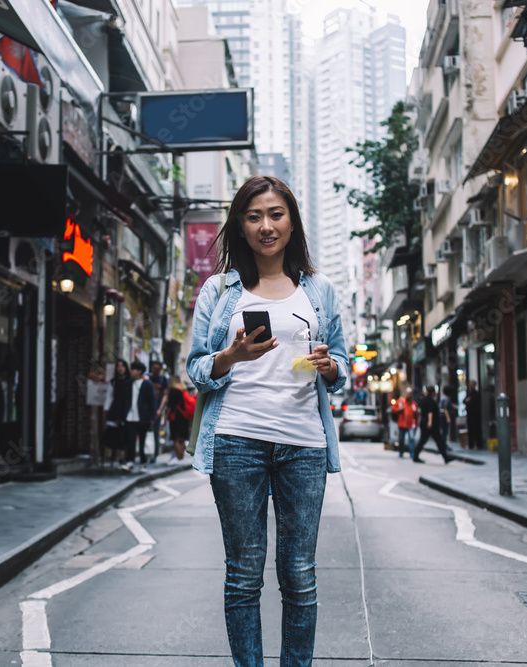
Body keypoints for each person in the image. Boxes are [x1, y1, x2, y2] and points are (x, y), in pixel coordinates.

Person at [187, 175, 348, 667]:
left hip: (303, 444)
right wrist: (230, 356)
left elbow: (340, 364)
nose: (266, 226)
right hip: (236, 440)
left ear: (292, 221)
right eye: (254, 216)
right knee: (244, 574)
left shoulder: (319, 289)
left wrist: (331, 366)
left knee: (299, 574)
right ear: (240, 224)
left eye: (276, 214)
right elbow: (196, 367)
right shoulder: (218, 290)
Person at [123, 360, 156, 470]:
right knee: (130, 440)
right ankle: (130, 461)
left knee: (142, 441)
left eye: (133, 369)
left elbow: (152, 401)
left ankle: (143, 462)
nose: (131, 371)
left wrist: (152, 417)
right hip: (130, 416)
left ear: (140, 371)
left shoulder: (147, 384)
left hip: (143, 417)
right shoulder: (128, 383)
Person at [102, 359, 131, 466]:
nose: (120, 368)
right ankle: (115, 458)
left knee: (124, 437)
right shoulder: (113, 382)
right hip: (115, 410)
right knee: (114, 436)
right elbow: (109, 398)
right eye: (118, 366)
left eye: (122, 366)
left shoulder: (130, 382)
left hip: (126, 411)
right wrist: (107, 411)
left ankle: (123, 458)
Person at [413, 385, 452, 464]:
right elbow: (430, 412)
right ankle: (445, 457)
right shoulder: (430, 401)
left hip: (425, 423)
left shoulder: (424, 400)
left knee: (425, 440)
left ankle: (416, 456)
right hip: (431, 424)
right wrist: (430, 422)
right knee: (437, 440)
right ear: (432, 392)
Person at [163, 376, 192, 460]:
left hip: (175, 417)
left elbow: (170, 406)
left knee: (175, 438)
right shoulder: (183, 390)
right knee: (182, 438)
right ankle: (181, 456)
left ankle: (178, 456)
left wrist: (165, 418)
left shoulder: (173, 391)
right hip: (184, 417)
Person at [148, 360, 169, 461]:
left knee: (156, 432)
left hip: (157, 408)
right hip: (146, 409)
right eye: (154, 368)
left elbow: (165, 395)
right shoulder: (147, 378)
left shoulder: (163, 379)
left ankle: (155, 454)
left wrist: (160, 409)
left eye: (157, 369)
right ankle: (146, 453)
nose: (155, 370)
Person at [393, 387, 418, 458]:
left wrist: (416, 426)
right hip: (402, 424)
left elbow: (416, 416)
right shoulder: (401, 401)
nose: (408, 395)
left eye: (410, 393)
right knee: (401, 439)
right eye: (407, 393)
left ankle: (412, 452)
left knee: (411, 439)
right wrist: (399, 409)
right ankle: (401, 452)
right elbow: (393, 409)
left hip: (410, 425)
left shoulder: (414, 404)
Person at [464, 380, 483, 450]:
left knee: (476, 429)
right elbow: (464, 400)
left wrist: (469, 400)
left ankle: (478, 444)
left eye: (471, 384)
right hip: (469, 414)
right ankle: (471, 444)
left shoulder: (476, 393)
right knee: (470, 429)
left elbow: (476, 403)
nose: (470, 385)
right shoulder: (468, 393)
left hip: (475, 414)